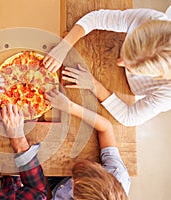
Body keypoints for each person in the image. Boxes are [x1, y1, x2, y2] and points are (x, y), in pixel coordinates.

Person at [43, 8, 171, 126]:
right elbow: (96, 18)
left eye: (130, 66)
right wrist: (64, 46)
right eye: (125, 53)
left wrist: (95, 85)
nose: (119, 63)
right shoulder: (151, 20)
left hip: (126, 89)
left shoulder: (168, 94)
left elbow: (129, 117)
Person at [45, 89, 131, 199]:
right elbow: (106, 128)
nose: (73, 183)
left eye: (75, 186)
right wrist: (70, 106)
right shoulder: (117, 176)